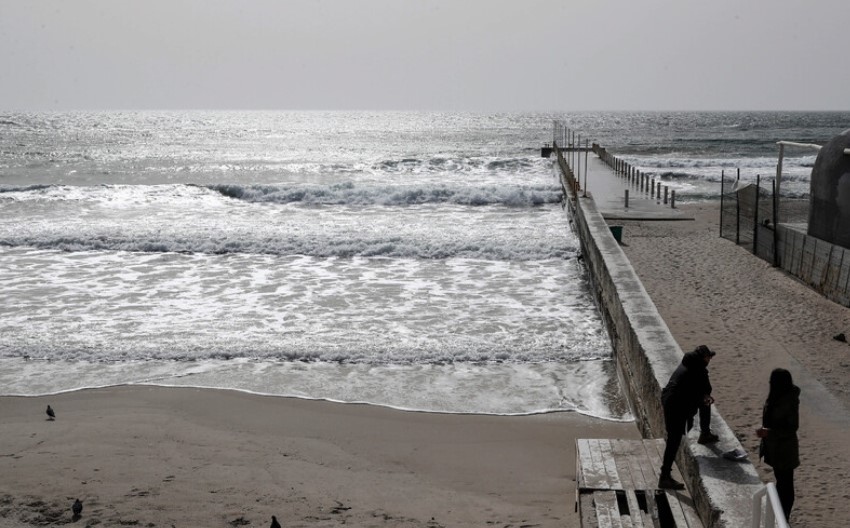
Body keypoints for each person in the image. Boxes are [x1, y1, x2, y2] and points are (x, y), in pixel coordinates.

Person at [658, 345, 719, 490]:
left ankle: (705, 433)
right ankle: (664, 476)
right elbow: (704, 390)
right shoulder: (698, 370)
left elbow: (692, 390)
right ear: (704, 358)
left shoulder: (687, 364)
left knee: (674, 438)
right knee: (674, 440)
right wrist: (703, 398)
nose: (710, 359)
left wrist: (702, 398)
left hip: (670, 401)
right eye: (709, 357)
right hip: (676, 406)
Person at [757, 368, 800, 521]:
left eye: (772, 381)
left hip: (785, 450)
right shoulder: (777, 396)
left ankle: (783, 516)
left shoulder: (788, 400)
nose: (769, 383)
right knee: (782, 482)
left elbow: (792, 427)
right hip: (776, 448)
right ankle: (781, 514)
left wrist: (769, 432)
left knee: (785, 485)